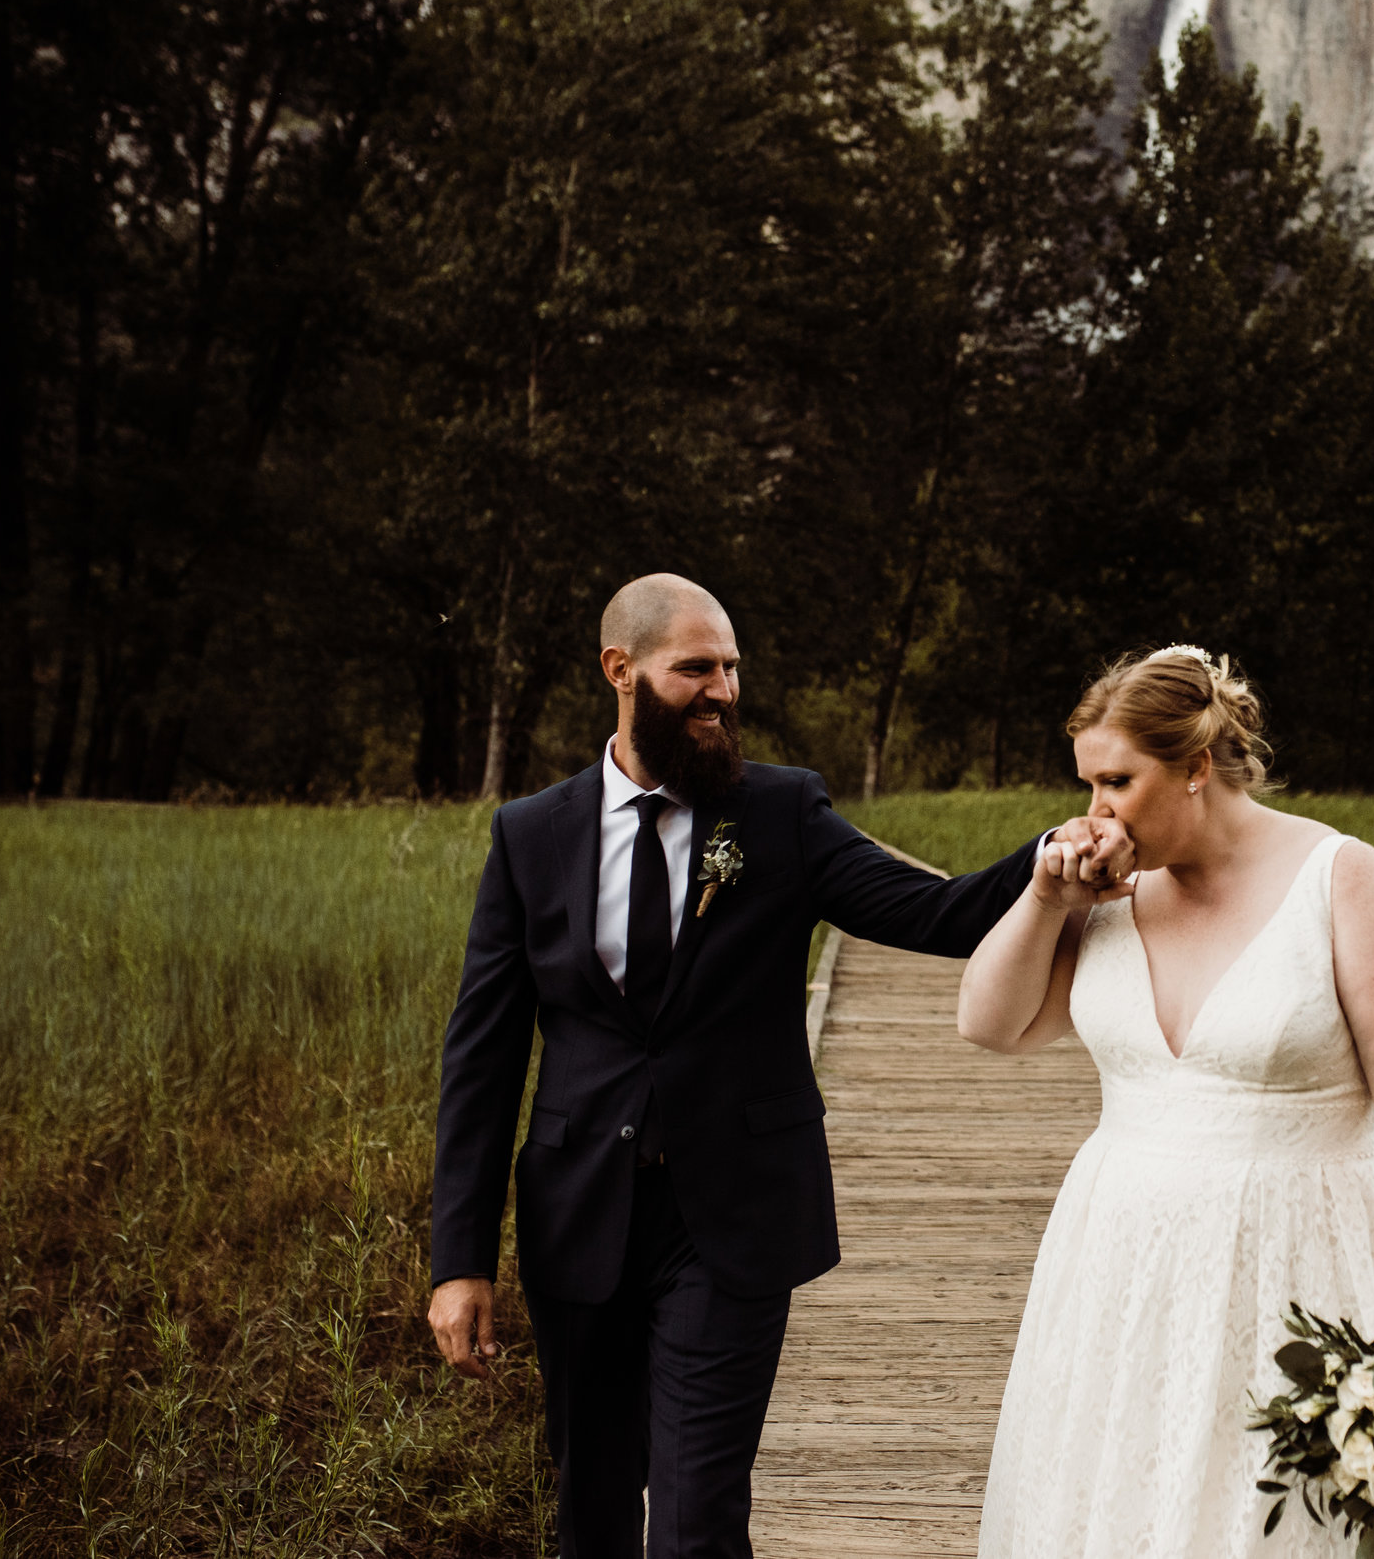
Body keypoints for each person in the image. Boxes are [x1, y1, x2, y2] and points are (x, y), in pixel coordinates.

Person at [426, 574, 1131, 1559]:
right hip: (578, 1218)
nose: (723, 689)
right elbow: (484, 1057)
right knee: (590, 1501)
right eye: (696, 668)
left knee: (694, 1515)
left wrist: (1057, 853)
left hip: (732, 1220)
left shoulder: (780, 813)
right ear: (619, 671)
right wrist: (458, 1259)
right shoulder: (531, 836)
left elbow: (936, 914)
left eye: (732, 668)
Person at [958, 645, 1374, 1559]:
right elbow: (991, 1024)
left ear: (1197, 766)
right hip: (1118, 1263)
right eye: (1087, 784)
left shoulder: (1342, 879)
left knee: (1284, 1513)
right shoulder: (1106, 892)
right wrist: (1046, 898)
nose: (1095, 812)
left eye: (1118, 781)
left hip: (1297, 1260)